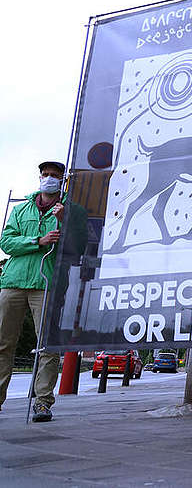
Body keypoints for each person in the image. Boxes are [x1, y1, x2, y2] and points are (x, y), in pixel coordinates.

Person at [0, 161, 85, 422]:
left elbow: (77, 247)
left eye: (54, 175)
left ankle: (43, 402)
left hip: (46, 283)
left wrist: (65, 220)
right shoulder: (22, 208)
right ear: (39, 177)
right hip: (13, 282)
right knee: (3, 343)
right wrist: (37, 241)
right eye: (45, 174)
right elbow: (6, 241)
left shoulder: (72, 211)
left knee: (46, 345)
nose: (48, 178)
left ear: (62, 181)